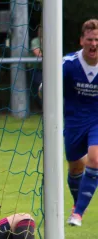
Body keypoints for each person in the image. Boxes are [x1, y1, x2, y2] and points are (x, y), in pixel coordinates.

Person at [63, 19, 98, 227]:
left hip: (96, 119)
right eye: (90, 40)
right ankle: (78, 205)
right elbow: (49, 84)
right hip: (74, 121)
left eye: (97, 40)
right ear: (82, 41)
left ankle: (78, 213)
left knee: (94, 159)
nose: (94, 44)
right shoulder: (68, 63)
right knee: (76, 167)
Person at [30, 25, 43, 108]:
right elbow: (38, 54)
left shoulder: (51, 40)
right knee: (39, 87)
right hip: (36, 68)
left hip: (48, 69)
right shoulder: (35, 41)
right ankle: (42, 107)